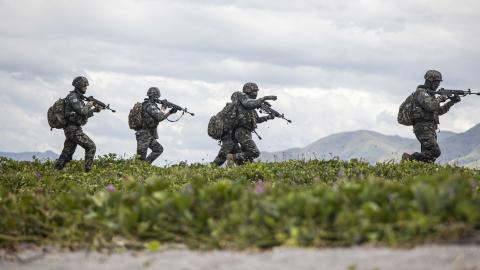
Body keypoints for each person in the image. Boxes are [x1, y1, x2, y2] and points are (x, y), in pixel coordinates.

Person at [402, 70, 461, 162]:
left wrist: (452, 102)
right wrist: (440, 98)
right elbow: (429, 106)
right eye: (436, 82)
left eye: (439, 82)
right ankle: (409, 158)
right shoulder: (421, 93)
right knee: (435, 152)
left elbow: (439, 111)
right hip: (423, 127)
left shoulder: (430, 95)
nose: (437, 85)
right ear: (429, 80)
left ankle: (420, 172)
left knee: (428, 157)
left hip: (430, 128)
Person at [213, 82, 277, 166]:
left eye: (256, 91)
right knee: (254, 152)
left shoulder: (248, 108)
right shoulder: (242, 99)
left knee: (241, 158)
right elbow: (248, 103)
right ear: (248, 91)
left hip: (244, 132)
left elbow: (257, 119)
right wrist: (264, 98)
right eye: (254, 91)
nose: (256, 93)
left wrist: (268, 117)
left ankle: (239, 168)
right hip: (240, 132)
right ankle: (232, 158)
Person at [55, 76, 102, 171]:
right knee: (91, 146)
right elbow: (82, 111)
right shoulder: (73, 97)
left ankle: (56, 171)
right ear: (79, 85)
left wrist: (94, 110)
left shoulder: (78, 98)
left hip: (73, 128)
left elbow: (81, 116)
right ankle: (88, 172)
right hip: (73, 129)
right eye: (85, 85)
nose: (86, 88)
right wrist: (89, 105)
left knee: (67, 154)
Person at [135, 87, 177, 164]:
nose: (157, 99)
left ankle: (144, 166)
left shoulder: (150, 105)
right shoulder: (149, 106)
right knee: (140, 159)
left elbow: (158, 118)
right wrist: (163, 108)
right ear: (155, 96)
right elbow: (159, 117)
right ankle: (138, 169)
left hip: (148, 135)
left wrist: (170, 112)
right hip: (144, 135)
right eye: (157, 97)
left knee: (158, 149)